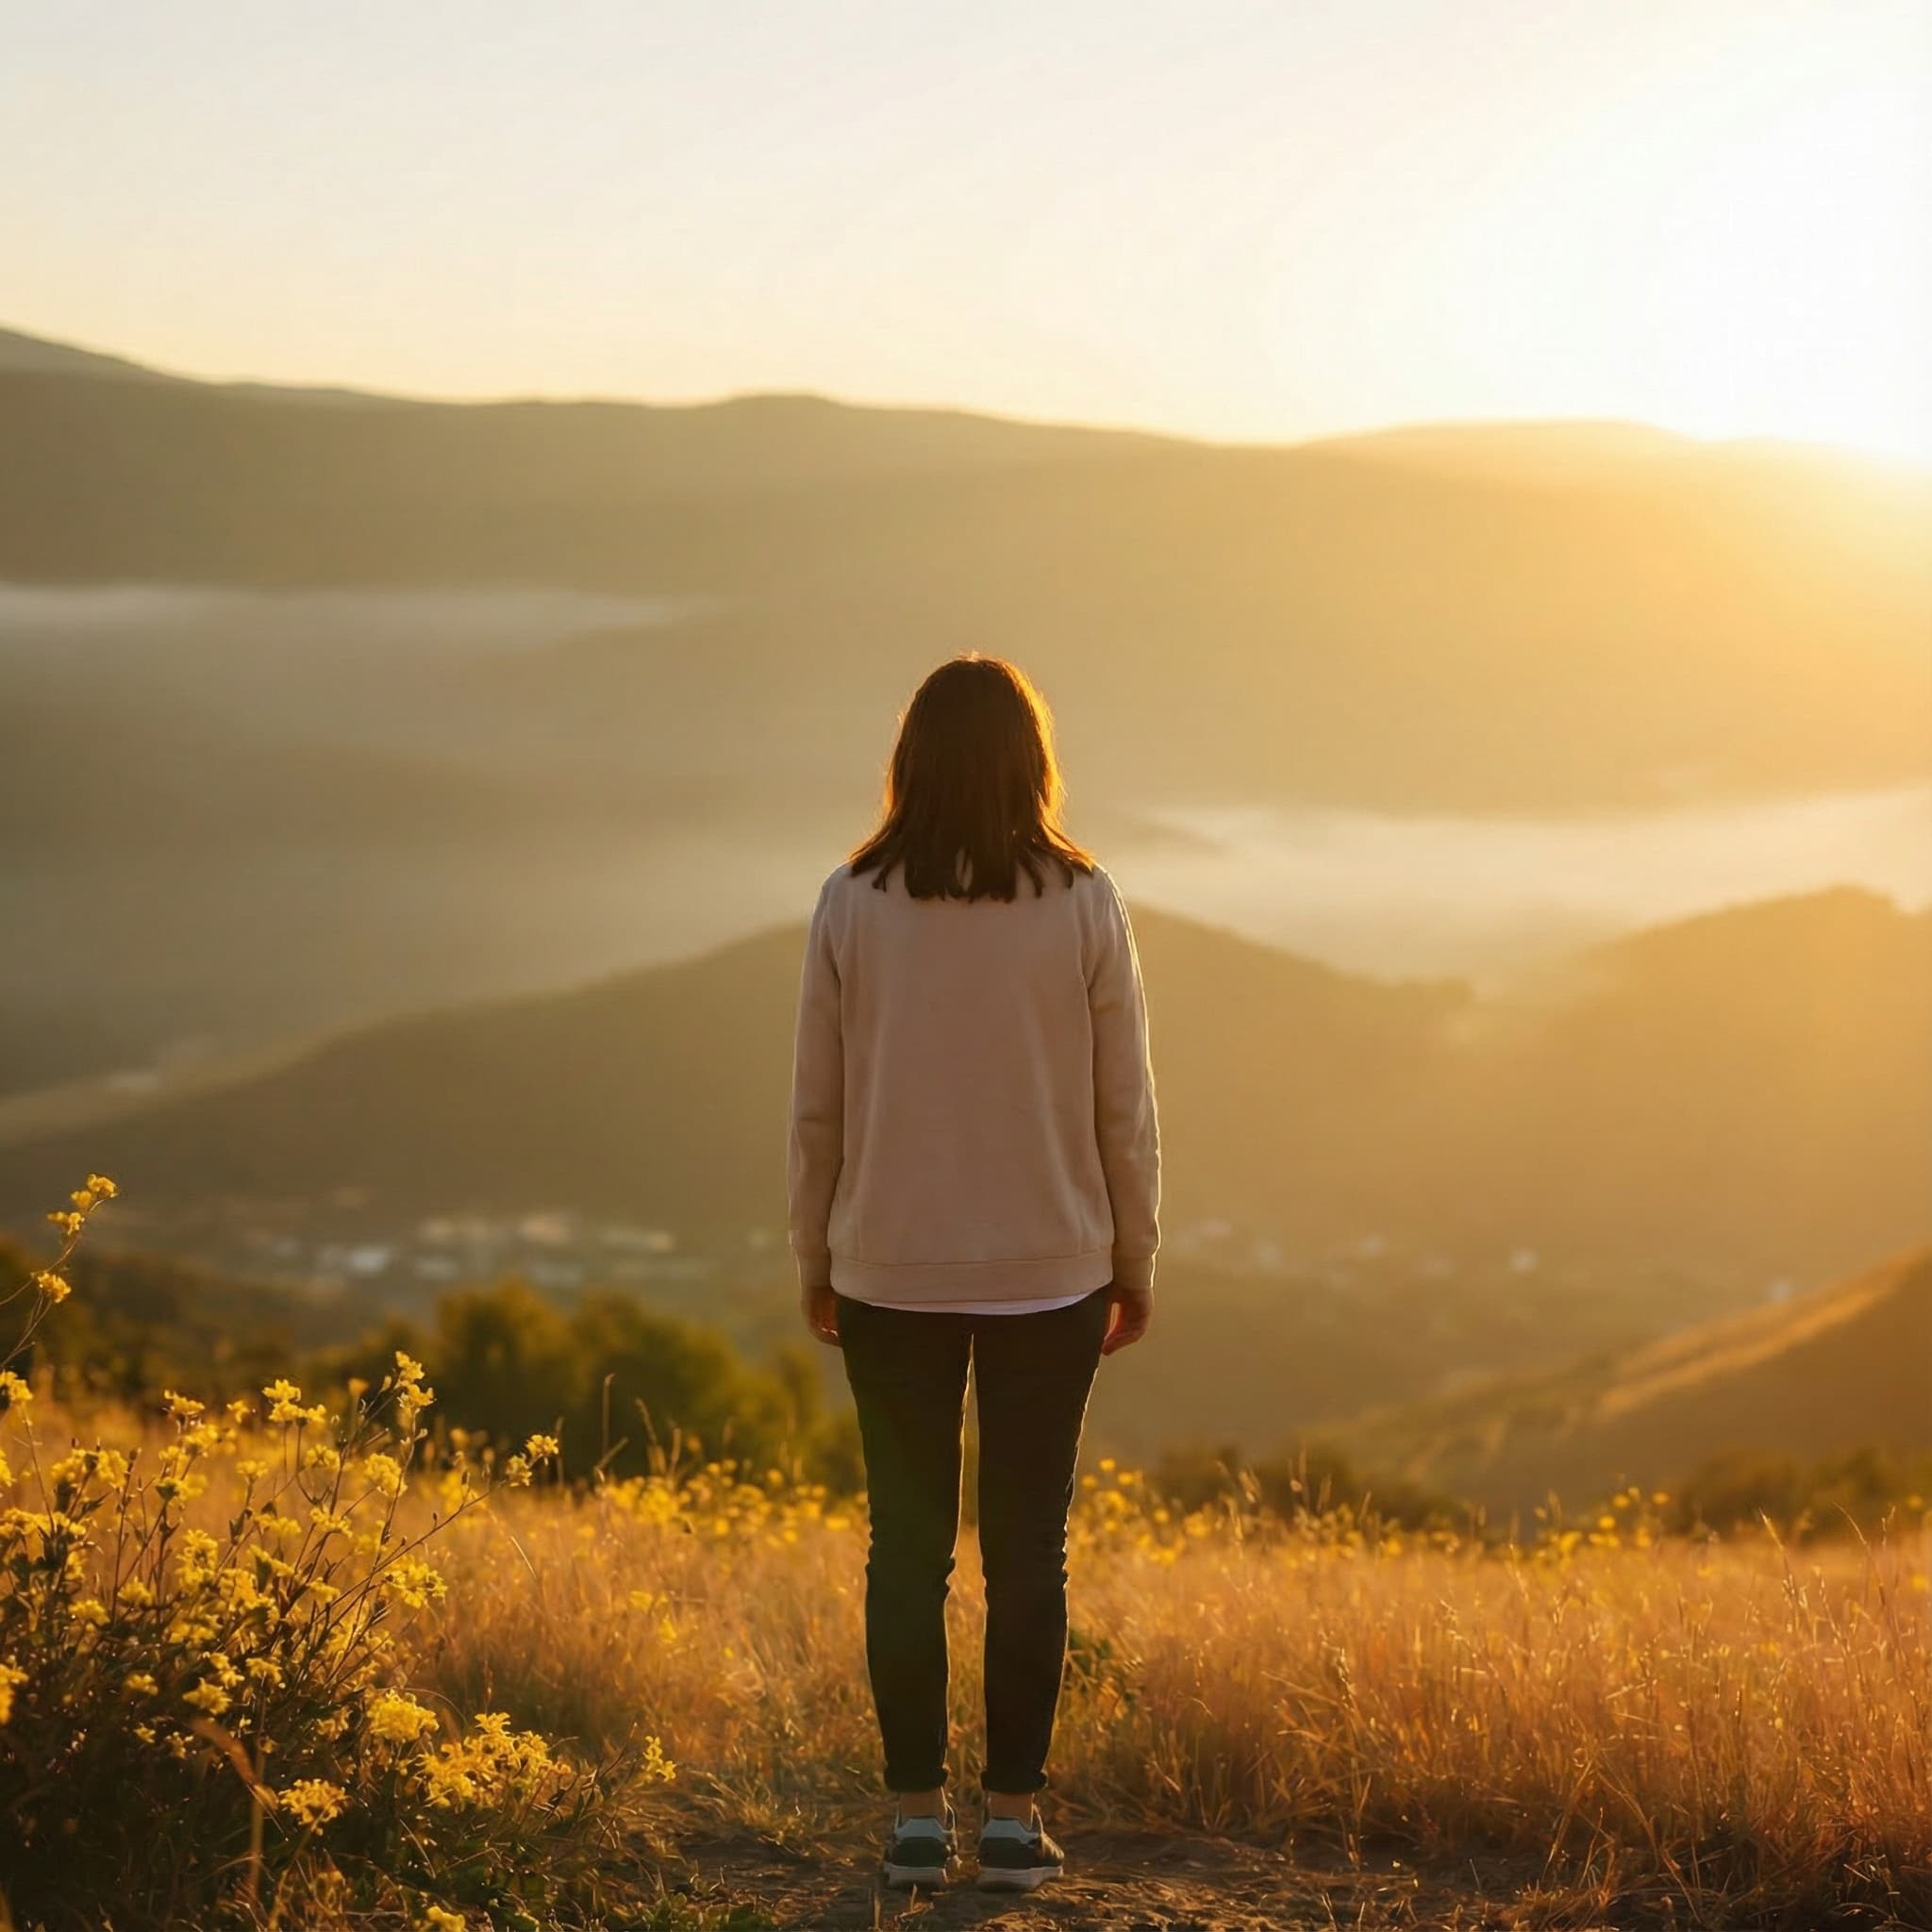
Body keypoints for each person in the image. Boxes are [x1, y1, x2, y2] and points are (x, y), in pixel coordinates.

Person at [786, 653, 1160, 1893]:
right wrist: (1133, 1253)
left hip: (889, 1266)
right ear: (1029, 763)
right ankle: (1008, 1819)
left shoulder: (851, 902)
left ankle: (908, 1818)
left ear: (912, 764)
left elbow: (817, 1114)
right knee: (1027, 1554)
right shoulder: (1085, 901)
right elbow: (1126, 1111)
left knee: (905, 1552)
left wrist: (815, 1253)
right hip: (1052, 1272)